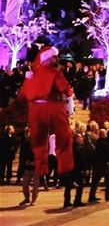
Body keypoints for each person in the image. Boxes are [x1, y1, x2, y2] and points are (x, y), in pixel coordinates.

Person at [17, 47, 74, 184]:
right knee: (64, 135)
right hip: (52, 107)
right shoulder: (55, 72)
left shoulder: (32, 74)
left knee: (38, 140)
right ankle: (65, 166)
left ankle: (41, 168)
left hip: (35, 109)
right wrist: (68, 92)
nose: (57, 59)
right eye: (55, 57)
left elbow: (22, 95)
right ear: (49, 59)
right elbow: (66, 89)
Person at [87, 129, 109, 202]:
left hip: (97, 163)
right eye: (105, 133)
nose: (106, 134)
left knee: (96, 180)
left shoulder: (100, 142)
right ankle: (108, 195)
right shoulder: (103, 143)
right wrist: (108, 160)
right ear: (102, 134)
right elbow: (106, 152)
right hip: (103, 163)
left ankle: (91, 196)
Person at [19, 128, 38, 206]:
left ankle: (33, 200)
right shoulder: (25, 142)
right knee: (25, 184)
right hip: (27, 167)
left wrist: (35, 162)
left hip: (36, 167)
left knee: (35, 185)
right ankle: (27, 198)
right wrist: (24, 162)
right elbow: (22, 154)